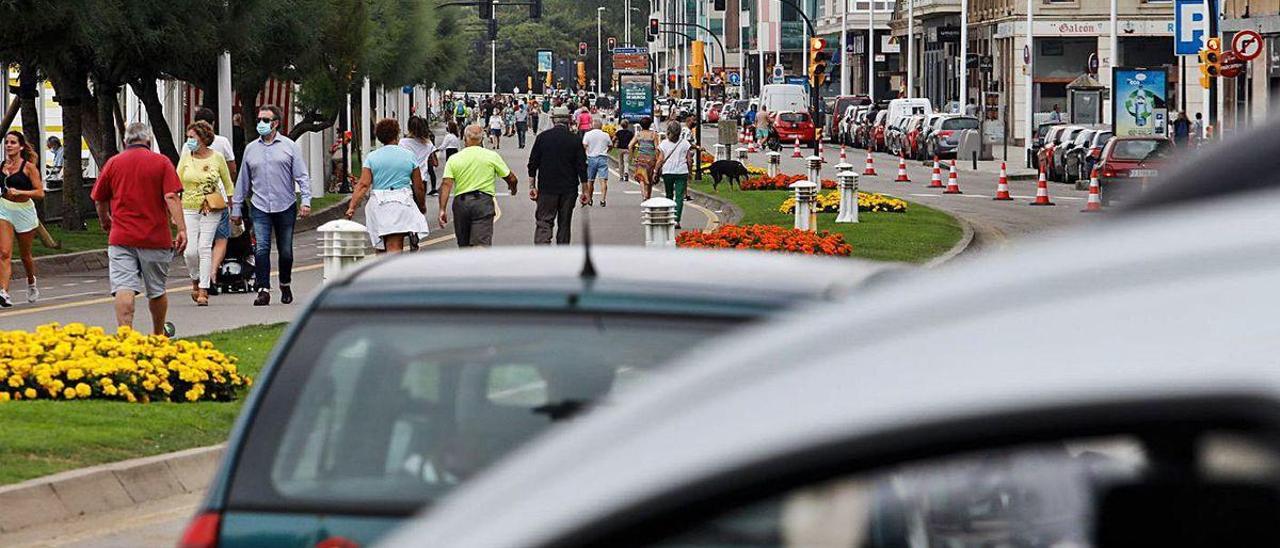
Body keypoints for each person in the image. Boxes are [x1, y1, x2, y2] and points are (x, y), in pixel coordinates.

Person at [90, 123, 186, 336]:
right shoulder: (161, 162)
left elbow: (99, 199)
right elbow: (171, 196)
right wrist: (181, 229)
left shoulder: (113, 163)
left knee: (123, 287)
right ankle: (158, 334)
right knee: (157, 290)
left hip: (121, 237)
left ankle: (125, 336)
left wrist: (106, 220)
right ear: (149, 142)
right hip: (155, 238)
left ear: (125, 142)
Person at [231, 105, 312, 307]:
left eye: (265, 120)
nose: (261, 124)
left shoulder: (289, 146)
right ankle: (263, 289)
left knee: (285, 251)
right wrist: (236, 208)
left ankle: (285, 283)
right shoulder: (251, 149)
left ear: (275, 123)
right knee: (262, 248)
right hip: (260, 206)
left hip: (285, 205)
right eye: (259, 119)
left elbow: (302, 176)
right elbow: (242, 181)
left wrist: (307, 201)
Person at [346, 118, 430, 253]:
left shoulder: (372, 157)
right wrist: (421, 205)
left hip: (378, 203)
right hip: (401, 202)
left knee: (380, 247)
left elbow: (363, 184)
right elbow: (418, 186)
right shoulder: (408, 156)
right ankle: (394, 271)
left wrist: (352, 207)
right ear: (396, 134)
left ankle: (382, 271)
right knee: (395, 246)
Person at [176, 121, 233, 307]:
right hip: (189, 208)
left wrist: (233, 204)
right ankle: (195, 278)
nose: (189, 141)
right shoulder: (186, 157)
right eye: (187, 137)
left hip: (211, 207)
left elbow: (228, 183)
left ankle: (203, 289)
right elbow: (176, 184)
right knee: (190, 251)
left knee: (204, 247)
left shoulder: (217, 158)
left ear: (202, 138)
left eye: (192, 137)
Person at [438, 125, 518, 247]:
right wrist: (513, 189)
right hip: (483, 202)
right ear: (482, 140)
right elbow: (511, 178)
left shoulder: (454, 159)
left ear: (465, 139)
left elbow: (446, 185)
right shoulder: (491, 156)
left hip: (461, 203)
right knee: (481, 245)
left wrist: (442, 209)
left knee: (463, 244)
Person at [192, 107, 238, 295]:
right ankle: (211, 273)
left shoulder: (190, 145)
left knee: (200, 240)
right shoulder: (222, 142)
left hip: (194, 197)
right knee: (220, 238)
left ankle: (200, 276)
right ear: (213, 124)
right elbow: (232, 167)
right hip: (217, 197)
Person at [528, 110, 588, 245]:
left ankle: (542, 249)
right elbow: (582, 167)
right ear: (568, 121)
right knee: (564, 223)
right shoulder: (575, 139)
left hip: (547, 187)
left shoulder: (542, 138)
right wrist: (585, 190)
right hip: (569, 189)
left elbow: (532, 164)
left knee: (544, 221)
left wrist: (532, 186)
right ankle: (562, 251)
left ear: (554, 120)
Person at [0, 131, 44, 307]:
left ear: (21, 146)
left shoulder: (28, 167)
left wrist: (20, 192)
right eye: (7, 142)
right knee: (4, 253)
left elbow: (40, 192)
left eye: (13, 142)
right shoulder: (2, 166)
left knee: (25, 255)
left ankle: (31, 282)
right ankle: (4, 292)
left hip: (24, 211)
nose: (9, 145)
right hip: (4, 210)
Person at [656, 122, 692, 229]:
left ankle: (669, 217)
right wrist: (689, 172)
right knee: (680, 196)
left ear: (668, 132)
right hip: (682, 172)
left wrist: (655, 171)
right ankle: (677, 220)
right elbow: (689, 160)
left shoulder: (664, 144)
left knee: (669, 195)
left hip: (668, 172)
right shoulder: (685, 143)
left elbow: (660, 159)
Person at [402, 116, 440, 195]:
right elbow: (435, 163)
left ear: (409, 128)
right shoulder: (428, 144)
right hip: (422, 181)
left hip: (407, 181)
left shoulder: (403, 143)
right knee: (421, 206)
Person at [582, 120, 612, 208]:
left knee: (590, 180)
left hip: (591, 158)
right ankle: (603, 199)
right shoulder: (605, 135)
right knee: (603, 180)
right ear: (601, 126)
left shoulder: (588, 134)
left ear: (592, 125)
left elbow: (584, 145)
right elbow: (610, 145)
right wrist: (606, 151)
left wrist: (587, 152)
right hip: (602, 158)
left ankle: (589, 198)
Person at [629, 117, 660, 200]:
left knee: (641, 177)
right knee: (649, 179)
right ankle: (648, 196)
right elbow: (657, 148)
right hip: (651, 159)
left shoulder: (639, 134)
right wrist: (657, 159)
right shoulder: (654, 134)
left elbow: (630, 145)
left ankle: (643, 195)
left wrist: (632, 157)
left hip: (641, 158)